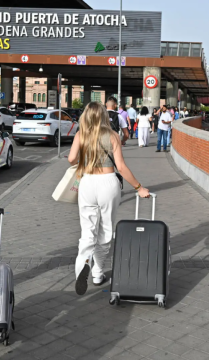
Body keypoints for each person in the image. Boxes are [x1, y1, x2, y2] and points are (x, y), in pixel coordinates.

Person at [68, 102, 150, 295]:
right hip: (108, 182)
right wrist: (139, 187)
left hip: (87, 182)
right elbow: (120, 166)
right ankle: (97, 272)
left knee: (87, 231)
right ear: (104, 115)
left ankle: (82, 267)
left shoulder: (81, 134)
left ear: (86, 116)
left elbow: (71, 159)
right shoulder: (113, 135)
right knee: (105, 229)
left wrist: (84, 156)